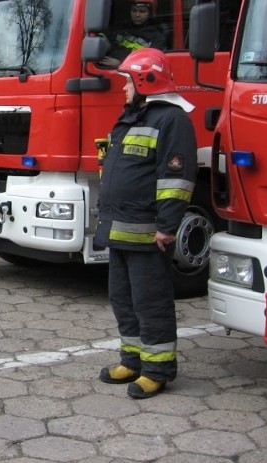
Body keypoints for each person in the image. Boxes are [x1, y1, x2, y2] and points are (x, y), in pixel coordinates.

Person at [94, 48, 197, 400]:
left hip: (149, 234)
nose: (123, 89)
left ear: (145, 81)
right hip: (121, 231)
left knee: (151, 302)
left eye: (127, 82)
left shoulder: (172, 120)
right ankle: (133, 360)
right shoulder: (131, 117)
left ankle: (158, 370)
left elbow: (177, 179)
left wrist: (167, 227)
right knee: (123, 300)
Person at [101, 0, 168, 67]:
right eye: (134, 10)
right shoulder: (121, 28)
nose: (137, 15)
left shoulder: (157, 37)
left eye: (142, 11)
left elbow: (152, 64)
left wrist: (120, 64)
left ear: (150, 13)